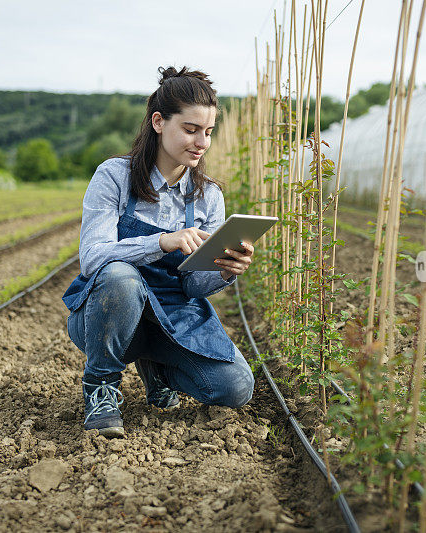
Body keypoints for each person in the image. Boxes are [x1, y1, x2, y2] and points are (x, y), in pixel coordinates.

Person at [62, 66, 256, 438]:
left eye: (208, 132)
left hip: (173, 315)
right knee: (120, 276)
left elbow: (194, 286)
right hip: (109, 314)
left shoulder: (208, 196)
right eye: (190, 129)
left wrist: (226, 270)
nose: (202, 142)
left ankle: (158, 366)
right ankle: (102, 386)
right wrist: (161, 241)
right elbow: (92, 258)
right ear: (158, 122)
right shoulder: (114, 176)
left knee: (236, 387)